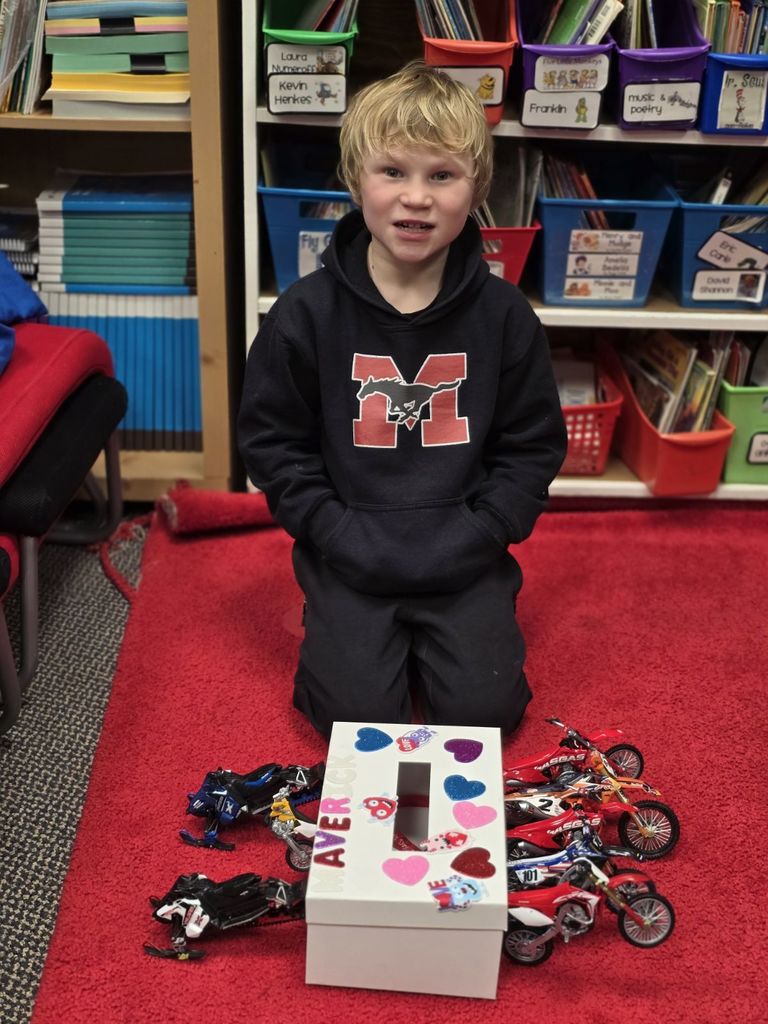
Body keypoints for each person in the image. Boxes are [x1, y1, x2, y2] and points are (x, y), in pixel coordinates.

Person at [238, 61, 568, 738]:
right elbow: (273, 443)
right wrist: (331, 530)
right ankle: (351, 640)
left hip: (464, 558)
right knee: (354, 722)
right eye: (393, 172)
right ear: (355, 179)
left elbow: (532, 444)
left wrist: (486, 529)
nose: (416, 198)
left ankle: (438, 646)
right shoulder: (304, 315)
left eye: (441, 175)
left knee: (486, 716)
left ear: (476, 187)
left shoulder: (506, 316)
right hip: (351, 557)